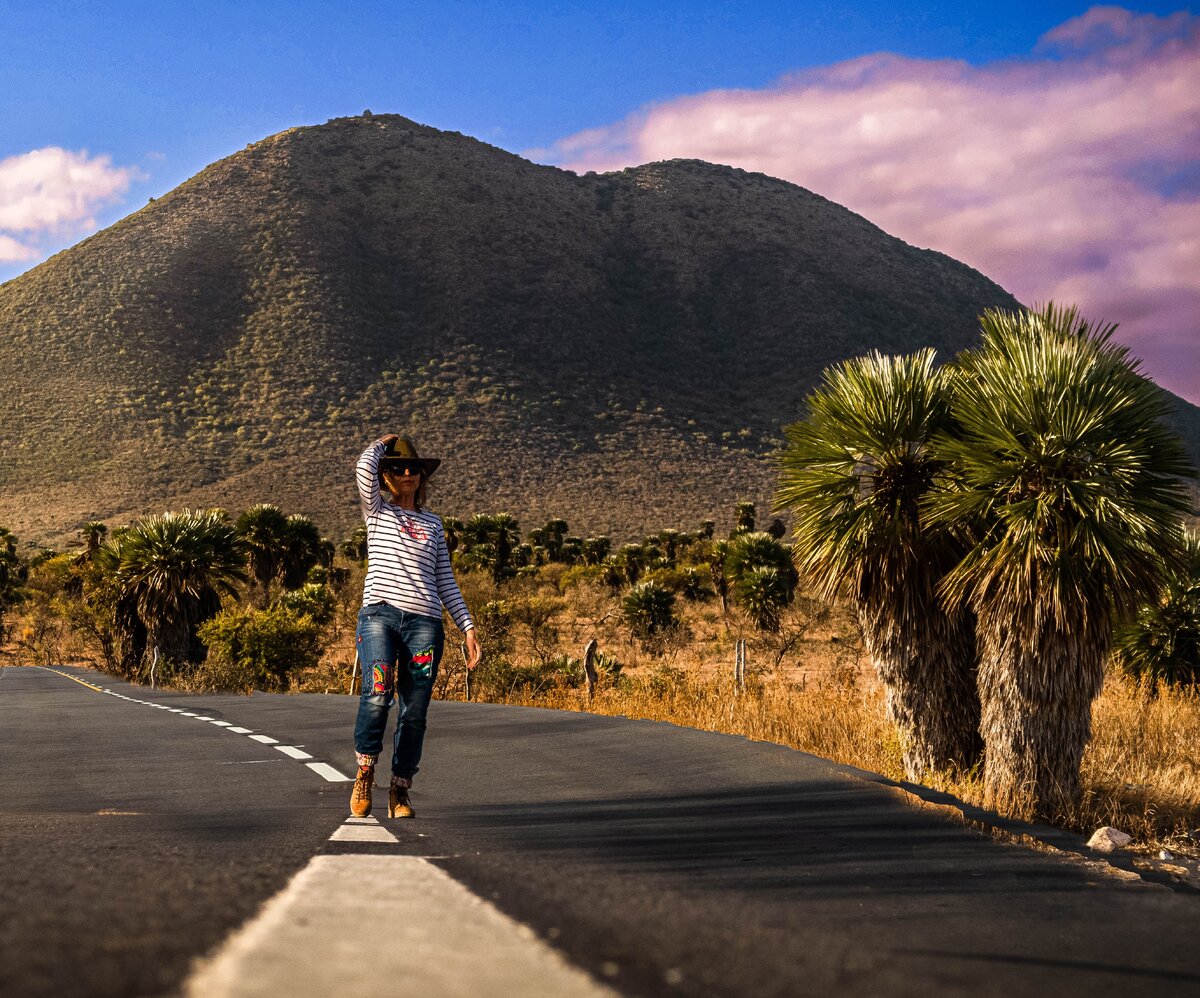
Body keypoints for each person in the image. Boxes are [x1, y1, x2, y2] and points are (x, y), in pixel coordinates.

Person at [349, 434, 481, 818]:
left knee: (415, 708)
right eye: (397, 468)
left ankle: (400, 790)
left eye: (413, 469)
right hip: (380, 616)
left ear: (423, 477)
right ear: (386, 477)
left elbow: (445, 581)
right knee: (377, 693)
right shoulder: (377, 512)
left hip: (424, 622)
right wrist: (383, 443)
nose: (407, 473)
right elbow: (361, 469)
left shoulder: (434, 525)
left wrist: (468, 627)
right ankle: (364, 774)